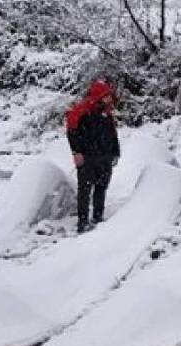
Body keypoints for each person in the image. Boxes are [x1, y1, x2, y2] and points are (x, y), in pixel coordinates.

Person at [66, 79, 120, 233]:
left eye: (110, 95)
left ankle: (98, 216)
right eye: (106, 95)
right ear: (99, 95)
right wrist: (76, 152)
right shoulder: (82, 110)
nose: (109, 98)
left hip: (105, 156)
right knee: (84, 189)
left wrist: (115, 153)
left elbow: (112, 134)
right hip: (87, 157)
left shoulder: (106, 112)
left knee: (101, 187)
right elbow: (71, 131)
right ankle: (82, 222)